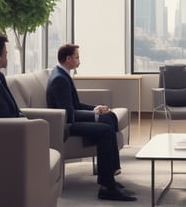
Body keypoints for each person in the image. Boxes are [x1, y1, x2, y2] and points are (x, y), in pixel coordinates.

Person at [46, 44, 136, 202]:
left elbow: (75, 105)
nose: (79, 60)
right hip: (66, 125)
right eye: (77, 57)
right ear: (68, 59)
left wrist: (96, 108)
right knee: (105, 130)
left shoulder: (63, 74)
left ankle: (110, 175)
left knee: (110, 117)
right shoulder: (60, 79)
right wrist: (94, 115)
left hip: (70, 118)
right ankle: (107, 188)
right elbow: (67, 114)